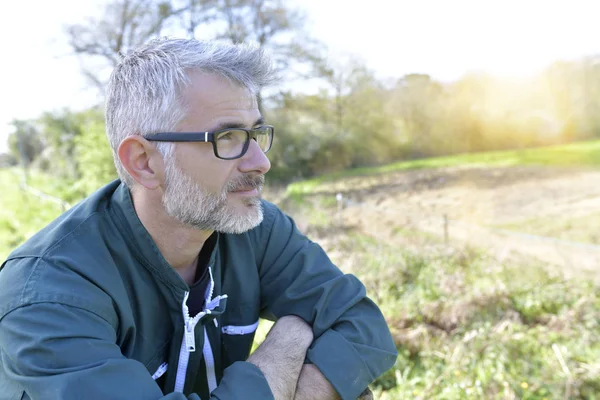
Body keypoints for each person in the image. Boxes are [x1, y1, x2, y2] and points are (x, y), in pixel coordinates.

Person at [0, 38, 397, 400]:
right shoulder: (48, 294)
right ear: (143, 163)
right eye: (227, 138)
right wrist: (284, 348)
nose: (261, 162)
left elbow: (362, 326)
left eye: (255, 134)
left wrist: (308, 390)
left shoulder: (253, 229)